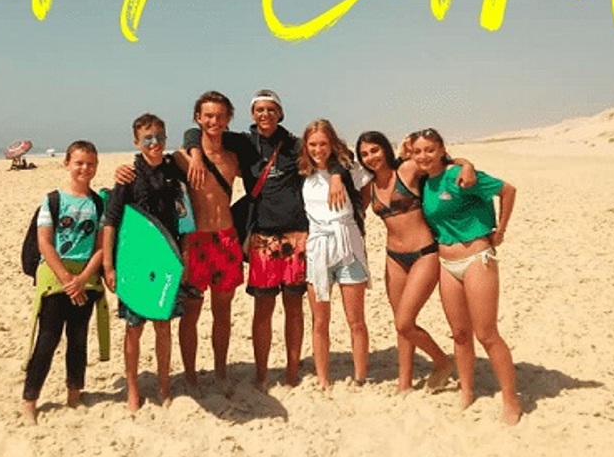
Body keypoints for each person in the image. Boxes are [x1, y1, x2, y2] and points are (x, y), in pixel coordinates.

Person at [183, 90, 346, 388]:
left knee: (294, 308)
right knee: (263, 310)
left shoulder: (295, 144)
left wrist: (335, 176)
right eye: (259, 109)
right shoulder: (243, 143)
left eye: (271, 109)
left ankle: (292, 372)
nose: (265, 115)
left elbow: (329, 153)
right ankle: (260, 375)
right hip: (261, 238)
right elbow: (197, 132)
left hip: (296, 236)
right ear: (252, 114)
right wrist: (194, 152)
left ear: (280, 113)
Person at [408, 128, 521, 425]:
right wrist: (463, 160)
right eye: (418, 151)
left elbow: (508, 190)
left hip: (475, 258)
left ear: (441, 149)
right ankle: (467, 390)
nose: (423, 156)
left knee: (486, 334)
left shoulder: (460, 176)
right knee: (459, 333)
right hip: (446, 263)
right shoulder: (425, 181)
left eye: (429, 149)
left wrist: (500, 231)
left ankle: (511, 399)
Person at [356, 131, 476, 393]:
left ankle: (442, 362)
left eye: (375, 150)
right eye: (364, 154)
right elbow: (351, 212)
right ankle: (404, 383)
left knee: (405, 322)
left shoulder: (407, 170)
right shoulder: (369, 187)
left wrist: (466, 165)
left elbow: (440, 162)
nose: (371, 157)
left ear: (385, 149)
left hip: (424, 253)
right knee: (400, 323)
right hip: (393, 258)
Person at [103, 114, 189, 412]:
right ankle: (133, 389)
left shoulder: (173, 174)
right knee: (134, 328)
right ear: (136, 142)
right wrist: (108, 266)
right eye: (147, 139)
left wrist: (184, 257)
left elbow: (184, 220)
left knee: (163, 326)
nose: (154, 143)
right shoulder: (127, 178)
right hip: (134, 264)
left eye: (159, 137)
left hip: (166, 261)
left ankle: (164, 386)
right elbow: (111, 222)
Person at [21, 141, 105, 424]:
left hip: (85, 278)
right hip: (55, 279)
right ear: (67, 163)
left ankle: (74, 394)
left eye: (90, 164)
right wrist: (67, 279)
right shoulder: (53, 200)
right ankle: (30, 400)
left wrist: (82, 279)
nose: (85, 168)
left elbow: (101, 247)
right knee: (47, 339)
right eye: (79, 163)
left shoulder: (98, 204)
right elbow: (45, 243)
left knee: (78, 339)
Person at [172, 92, 244, 387]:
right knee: (191, 312)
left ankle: (221, 371)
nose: (214, 121)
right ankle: (190, 375)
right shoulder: (182, 157)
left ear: (228, 119)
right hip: (195, 241)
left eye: (220, 116)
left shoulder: (233, 158)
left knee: (223, 312)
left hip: (226, 239)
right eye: (208, 116)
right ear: (198, 118)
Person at [298, 120, 370, 389]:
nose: (318, 149)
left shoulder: (348, 169)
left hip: (348, 244)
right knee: (320, 320)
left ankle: (360, 376)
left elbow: (368, 188)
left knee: (356, 320)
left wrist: (340, 177)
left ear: (332, 144)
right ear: (306, 146)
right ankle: (323, 378)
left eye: (323, 144)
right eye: (313, 144)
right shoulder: (301, 173)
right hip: (318, 248)